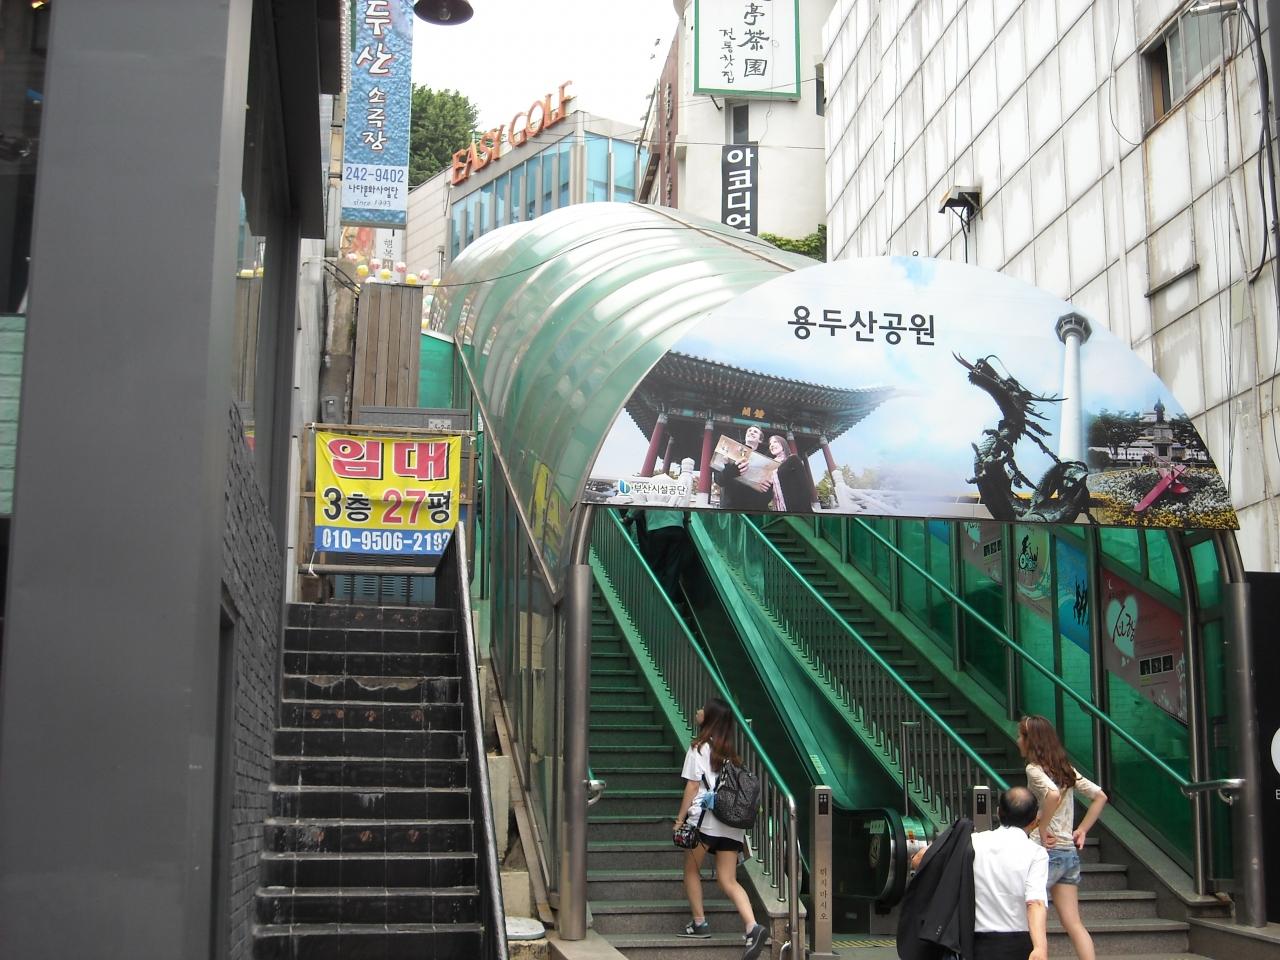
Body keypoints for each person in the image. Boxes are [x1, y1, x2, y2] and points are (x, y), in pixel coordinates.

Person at [674, 697, 767, 960]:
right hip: (731, 827)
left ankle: (699, 923)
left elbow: (693, 786)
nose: (698, 710)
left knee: (691, 870)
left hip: (704, 823)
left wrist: (679, 819)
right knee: (728, 880)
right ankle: (752, 927)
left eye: (703, 709)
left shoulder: (698, 748)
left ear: (710, 718)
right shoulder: (732, 755)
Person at [1018, 715, 1109, 960]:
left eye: (1020, 736)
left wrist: (1042, 828)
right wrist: (1083, 829)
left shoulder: (1033, 769)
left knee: (1030, 916)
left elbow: (1051, 795)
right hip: (1068, 853)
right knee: (1074, 923)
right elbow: (1100, 796)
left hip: (1045, 852)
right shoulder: (1065, 768)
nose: (1018, 741)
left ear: (1030, 740)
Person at [970, 786, 1050, 960]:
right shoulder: (1036, 853)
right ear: (1034, 821)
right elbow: (1035, 903)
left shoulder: (973, 842)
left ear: (998, 812)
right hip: (1018, 944)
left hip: (976, 944)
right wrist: (1039, 947)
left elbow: (922, 858)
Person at [712, 424, 773, 511]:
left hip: (754, 508)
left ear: (760, 440)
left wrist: (767, 488)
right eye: (749, 431)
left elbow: (768, 492)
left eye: (755, 432)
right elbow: (719, 480)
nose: (751, 432)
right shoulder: (729, 452)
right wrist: (731, 471)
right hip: (731, 506)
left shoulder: (765, 463)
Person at [766, 434, 813, 514]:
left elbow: (804, 485)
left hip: (796, 509)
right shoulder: (770, 465)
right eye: (770, 444)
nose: (772, 445)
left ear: (783, 443)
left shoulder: (793, 459)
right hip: (778, 508)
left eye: (775, 442)